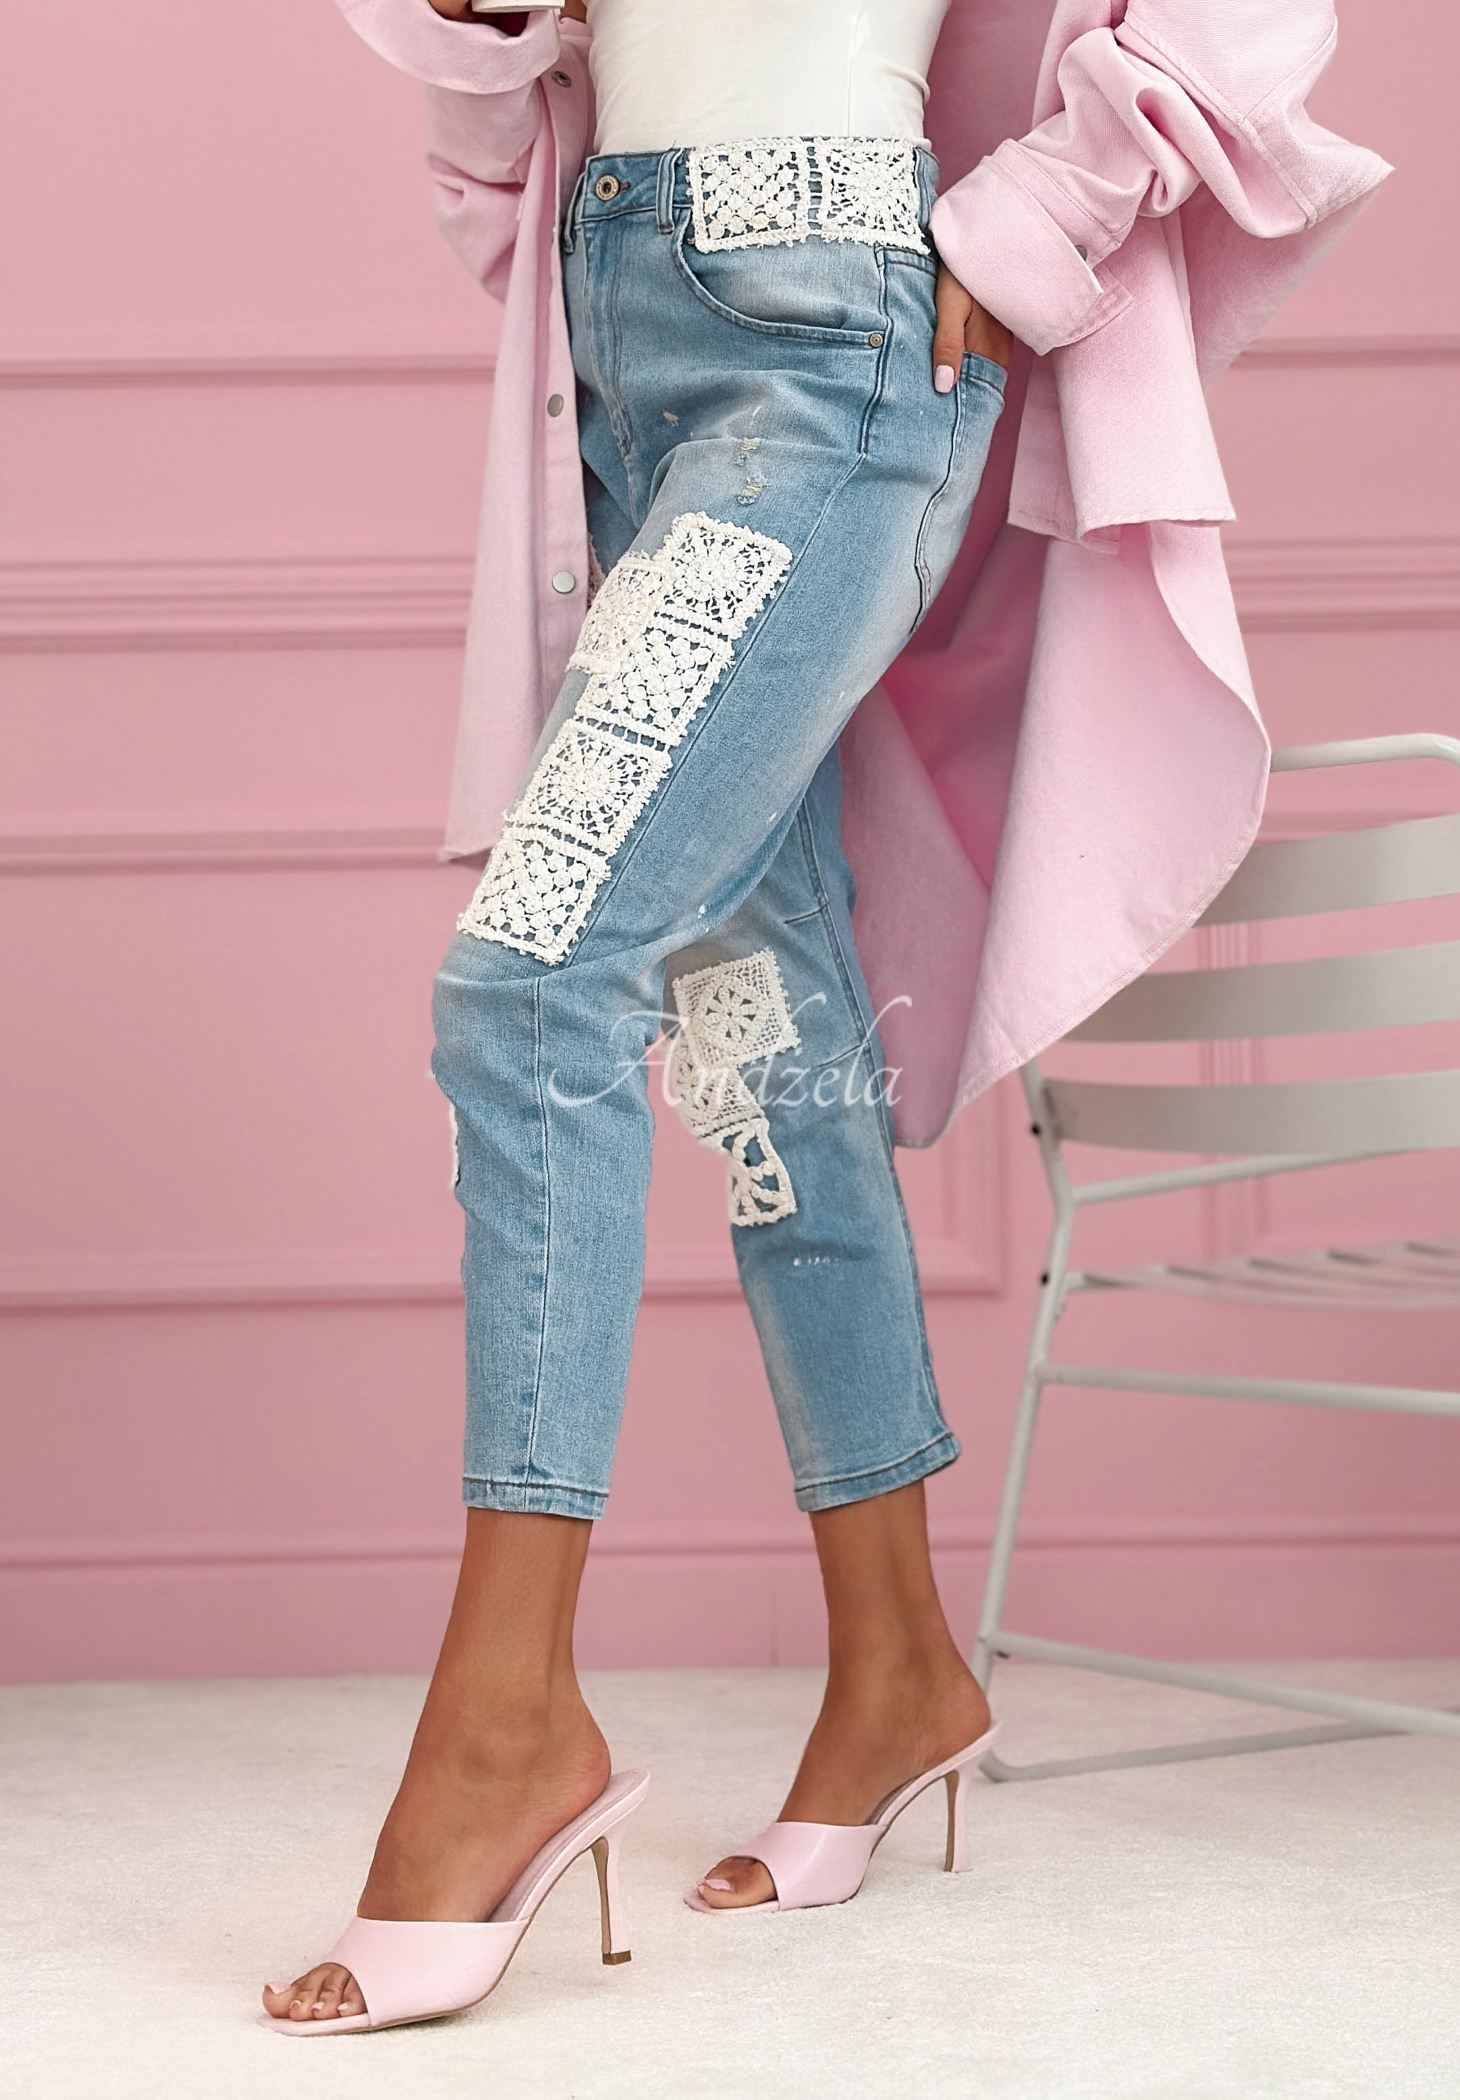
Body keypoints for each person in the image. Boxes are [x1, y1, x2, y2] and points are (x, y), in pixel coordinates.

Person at [262, 0, 1388, 2034]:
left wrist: (1035, 217)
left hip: (823, 328)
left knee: (535, 983)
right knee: (758, 1023)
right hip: (621, 309)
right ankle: (897, 1670)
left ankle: (506, 1725)